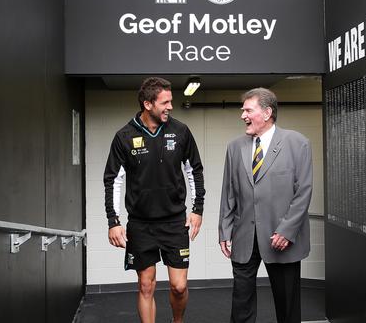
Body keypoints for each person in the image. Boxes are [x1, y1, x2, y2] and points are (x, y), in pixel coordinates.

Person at [104, 77, 205, 323]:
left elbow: (195, 171)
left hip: (174, 223)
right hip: (141, 224)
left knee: (179, 286)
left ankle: (177, 321)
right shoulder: (124, 136)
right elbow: (113, 180)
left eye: (171, 101)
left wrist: (197, 209)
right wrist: (113, 220)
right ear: (148, 104)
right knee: (146, 286)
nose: (171, 106)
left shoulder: (180, 131)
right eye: (165, 102)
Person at [218, 87, 313, 323]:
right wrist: (225, 230)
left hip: (281, 239)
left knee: (287, 306)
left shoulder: (297, 143)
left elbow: (303, 192)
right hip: (244, 237)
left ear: (267, 112)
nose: (243, 116)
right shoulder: (234, 147)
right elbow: (229, 192)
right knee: (241, 304)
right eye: (243, 111)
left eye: (248, 110)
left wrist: (286, 230)